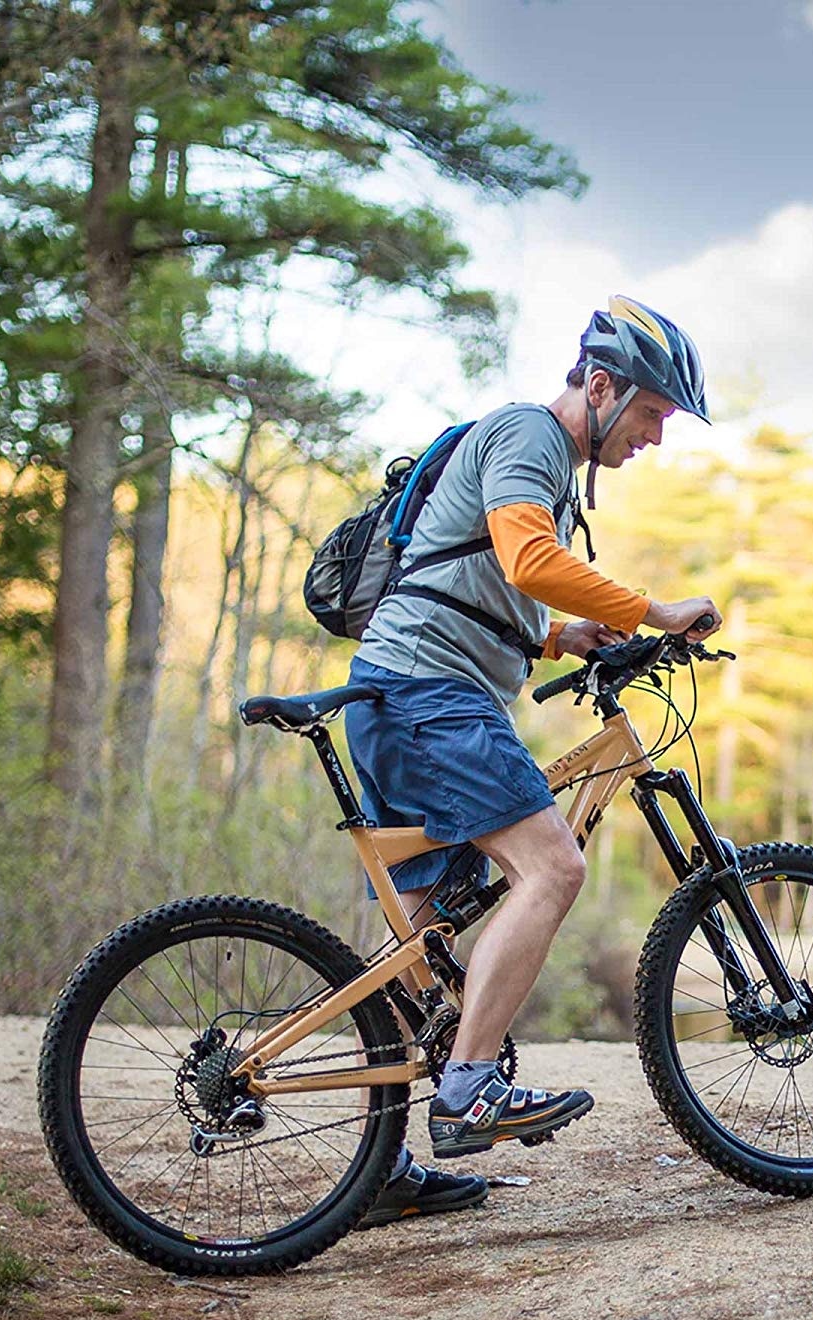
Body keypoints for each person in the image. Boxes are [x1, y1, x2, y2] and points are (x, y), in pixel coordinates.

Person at [345, 296, 719, 1228]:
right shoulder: (530, 437)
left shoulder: (532, 457)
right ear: (600, 386)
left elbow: (479, 574)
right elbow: (524, 555)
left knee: (419, 940)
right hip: (433, 696)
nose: (656, 438)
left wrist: (560, 636)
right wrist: (651, 610)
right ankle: (469, 1089)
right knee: (553, 866)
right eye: (653, 414)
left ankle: (378, 1167)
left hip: (397, 691)